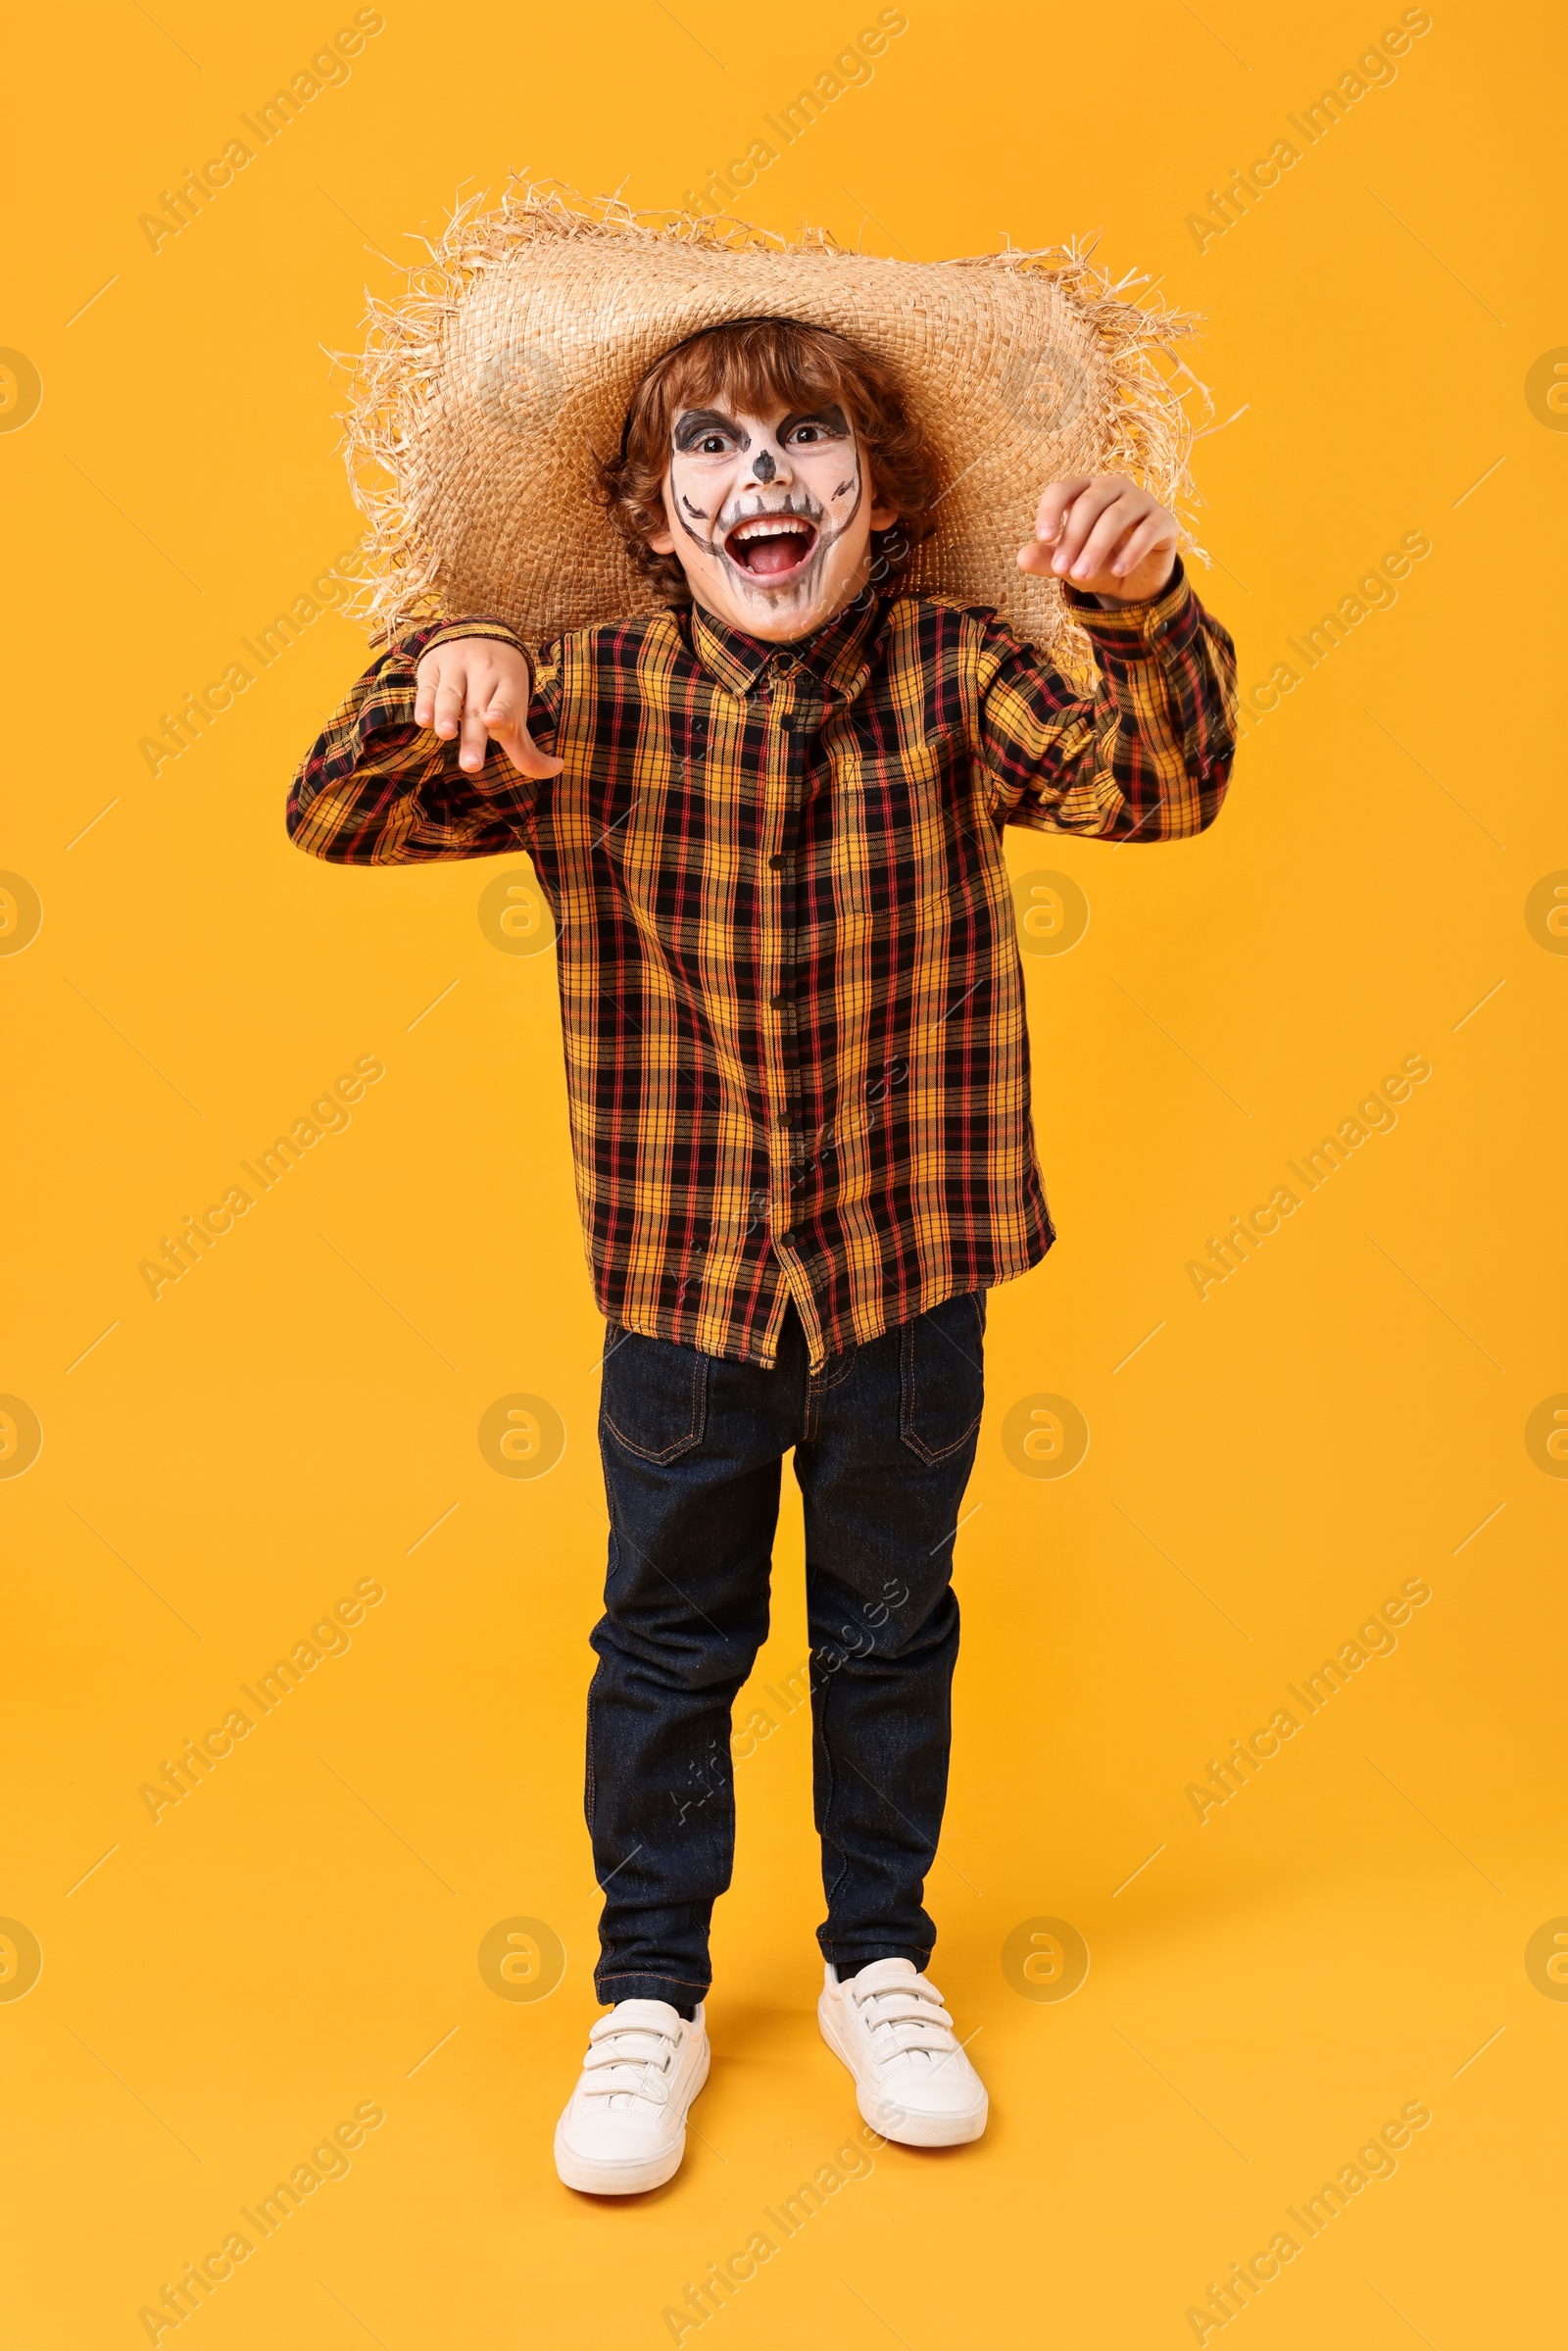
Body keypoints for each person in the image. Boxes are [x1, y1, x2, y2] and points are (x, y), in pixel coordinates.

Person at [288, 213, 1237, 2197]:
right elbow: (336, 815)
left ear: (879, 499)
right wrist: (435, 656)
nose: (761, 482)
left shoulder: (964, 673)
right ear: (650, 518)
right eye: (709, 452)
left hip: (910, 1268)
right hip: (682, 1284)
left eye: (804, 444)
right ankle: (646, 1991)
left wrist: (1144, 616)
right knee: (667, 1634)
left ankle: (877, 1961)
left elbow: (1147, 789)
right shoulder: (584, 696)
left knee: (886, 1624)